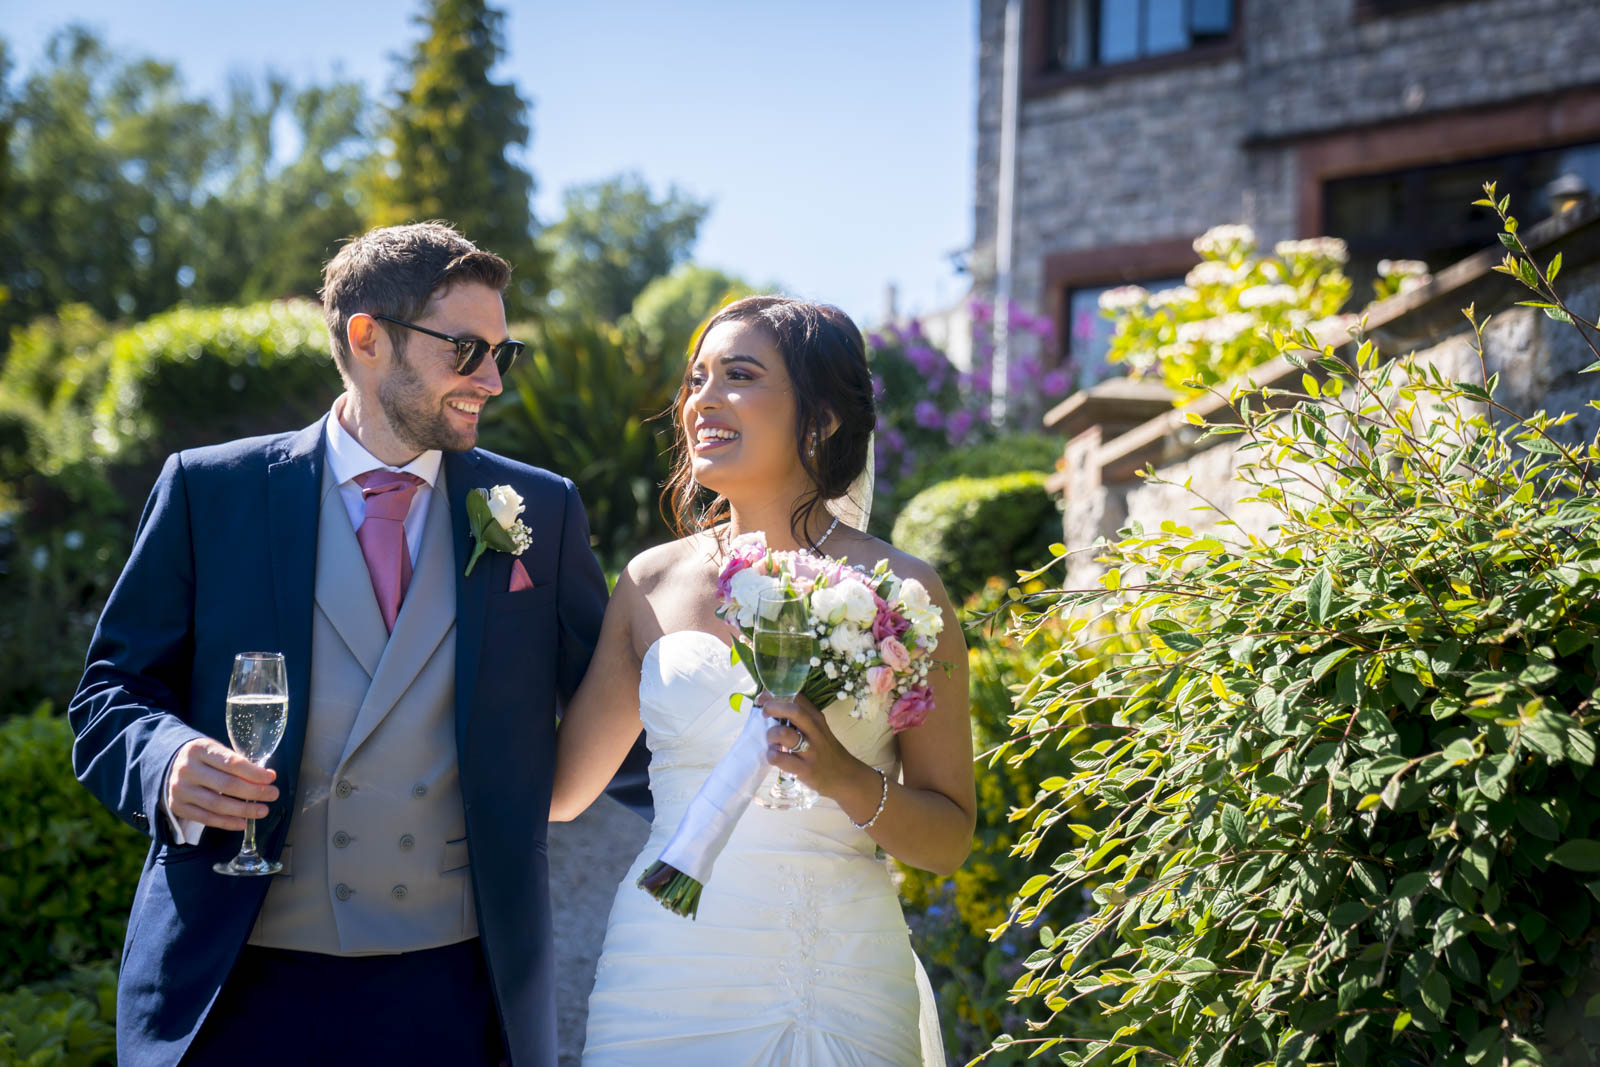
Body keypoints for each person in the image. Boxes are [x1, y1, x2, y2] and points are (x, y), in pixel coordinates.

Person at [68, 221, 649, 1067]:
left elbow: (619, 704)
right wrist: (166, 762)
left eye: (502, 353)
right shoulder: (211, 490)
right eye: (465, 349)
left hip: (455, 988)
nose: (489, 379)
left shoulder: (541, 510)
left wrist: (745, 805)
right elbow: (109, 695)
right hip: (240, 982)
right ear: (368, 338)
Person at [551, 295, 975, 1065]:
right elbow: (559, 792)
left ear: (822, 418)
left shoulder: (903, 591)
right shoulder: (651, 582)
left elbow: (947, 839)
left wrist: (845, 776)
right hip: (665, 966)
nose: (702, 400)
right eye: (696, 378)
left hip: (841, 975)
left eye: (738, 375)